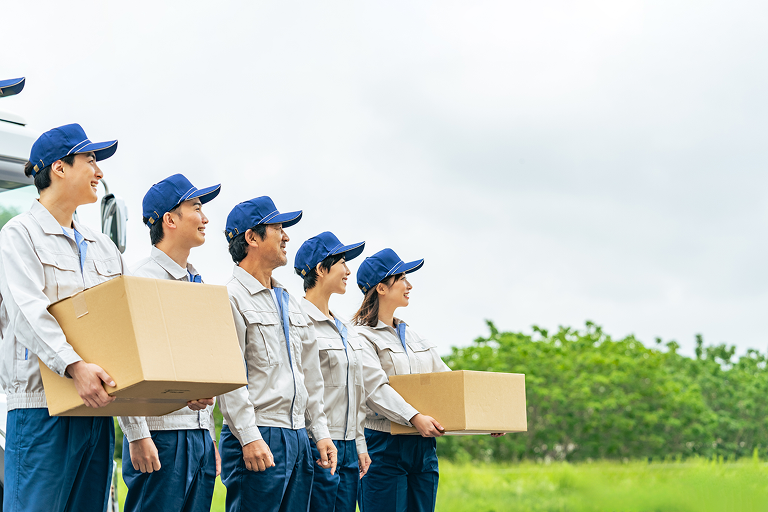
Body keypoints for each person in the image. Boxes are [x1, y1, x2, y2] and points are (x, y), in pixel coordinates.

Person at [0, 123, 124, 511]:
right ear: (59, 168)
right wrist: (73, 366)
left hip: (98, 409)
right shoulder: (20, 235)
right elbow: (27, 313)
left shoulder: (102, 246)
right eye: (91, 160)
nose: (99, 172)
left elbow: (124, 324)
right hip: (42, 409)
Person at [218, 196, 337, 512]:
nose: (286, 237)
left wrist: (320, 433)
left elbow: (309, 374)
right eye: (277, 228)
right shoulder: (230, 298)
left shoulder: (289, 302)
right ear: (252, 237)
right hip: (260, 432)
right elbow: (229, 377)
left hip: (298, 436)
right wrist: (248, 436)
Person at [118, 173, 222, 512]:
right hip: (160, 436)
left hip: (198, 437)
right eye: (196, 207)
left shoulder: (199, 284)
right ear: (170, 219)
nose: (205, 218)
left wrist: (208, 435)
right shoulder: (138, 279)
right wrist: (137, 433)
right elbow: (124, 362)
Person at [294, 231, 371, 512]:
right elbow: (302, 387)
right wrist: (319, 436)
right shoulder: (299, 321)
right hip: (318, 443)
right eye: (341, 262)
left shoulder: (345, 330)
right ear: (321, 269)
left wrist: (359, 444)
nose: (348, 270)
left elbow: (357, 392)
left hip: (349, 445)